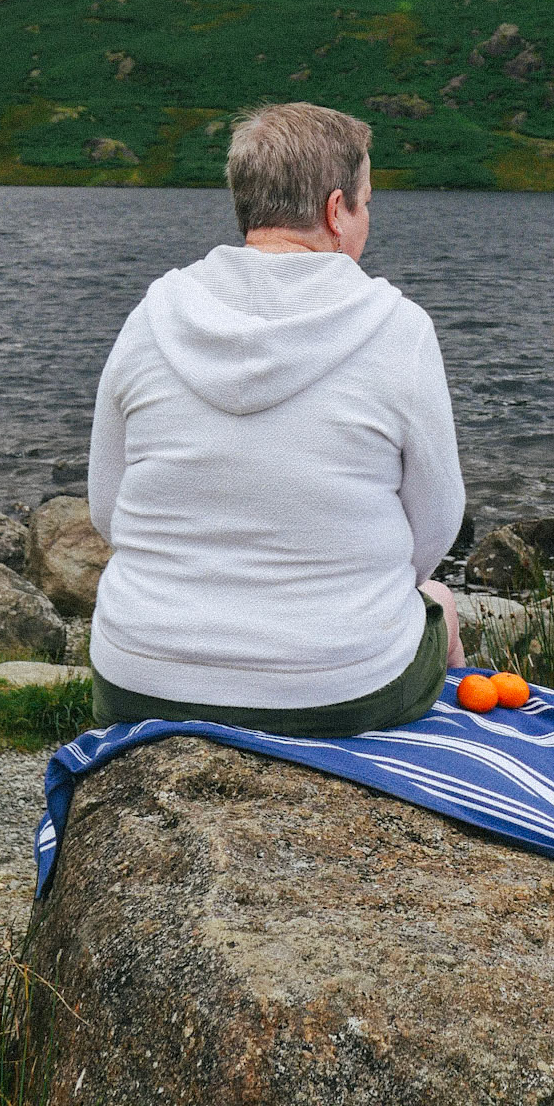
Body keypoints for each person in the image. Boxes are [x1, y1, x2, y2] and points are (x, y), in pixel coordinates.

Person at [86, 101, 467, 736]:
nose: (368, 221)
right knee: (440, 603)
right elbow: (436, 523)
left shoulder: (151, 316)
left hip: (140, 681)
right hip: (341, 688)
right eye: (366, 204)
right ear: (334, 211)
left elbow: (107, 507)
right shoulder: (398, 328)